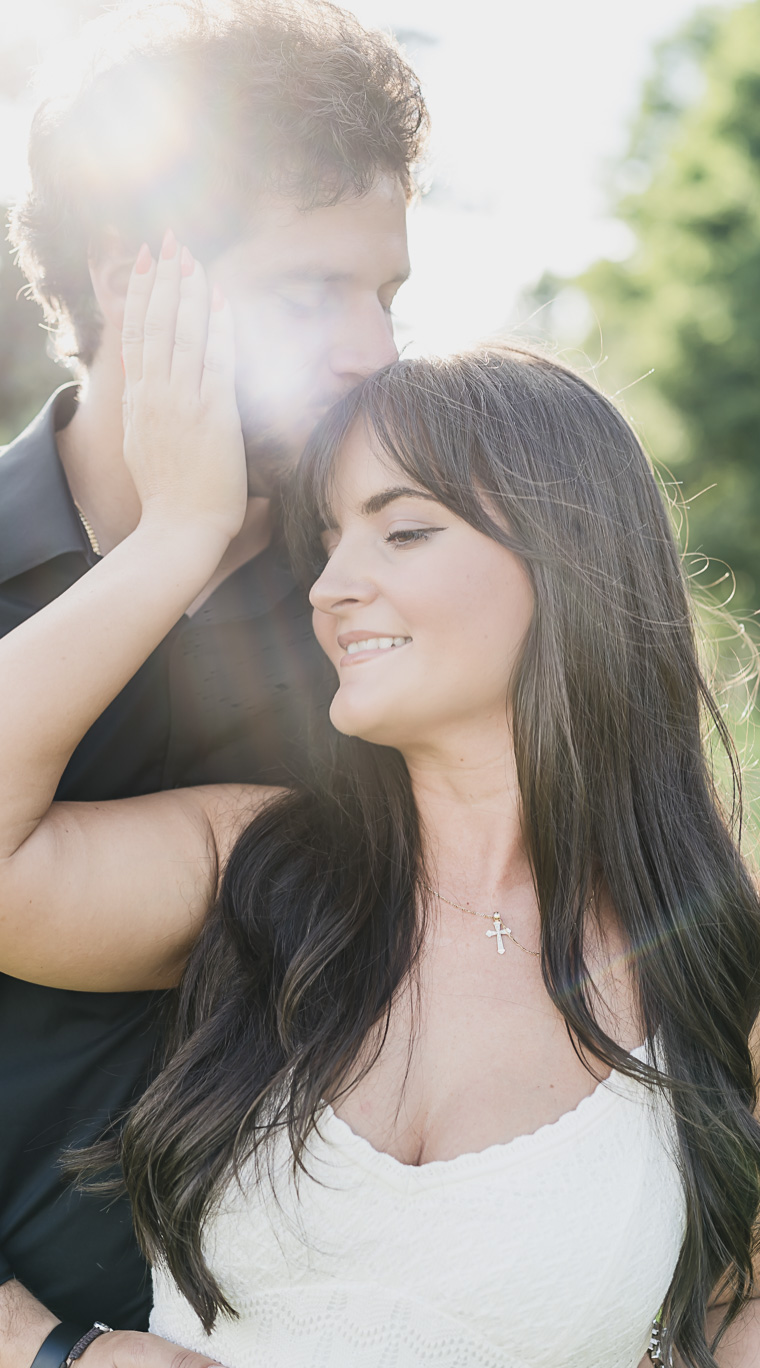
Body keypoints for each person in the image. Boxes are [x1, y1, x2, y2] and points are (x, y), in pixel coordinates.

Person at [0, 241, 760, 1368]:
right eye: (329, 538)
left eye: (401, 529)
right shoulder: (257, 865)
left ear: (569, 565)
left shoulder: (741, 969)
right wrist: (173, 537)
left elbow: (759, 1296)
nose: (333, 586)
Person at [0, 2, 426, 1365]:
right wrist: (48, 1354)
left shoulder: (395, 594)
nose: (372, 350)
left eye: (388, 295)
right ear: (140, 276)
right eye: (312, 293)